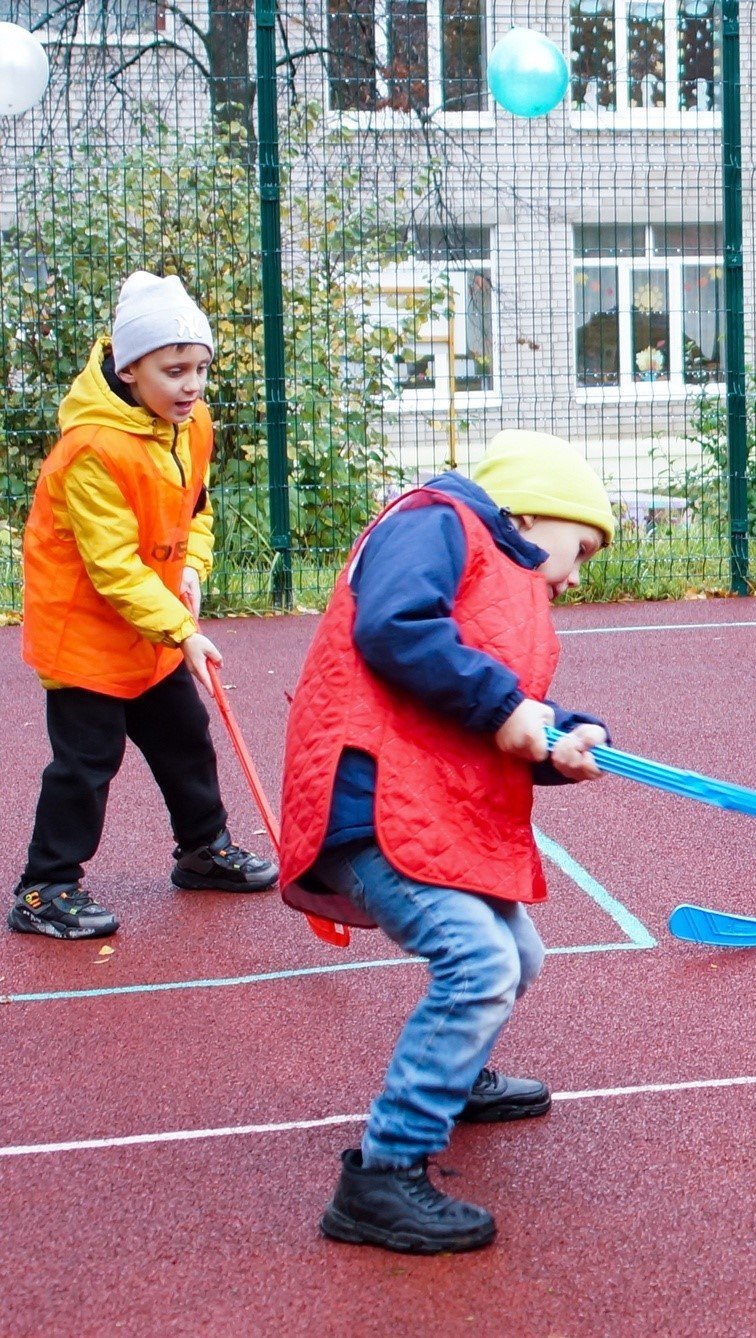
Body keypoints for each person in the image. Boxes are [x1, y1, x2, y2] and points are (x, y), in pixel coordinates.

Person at [275, 430, 617, 1254]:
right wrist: (512, 715)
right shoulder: (437, 521)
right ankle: (382, 1178)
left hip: (421, 799)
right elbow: (398, 631)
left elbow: (486, 694)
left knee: (517, 959)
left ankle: (450, 1077)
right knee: (481, 964)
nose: (575, 576)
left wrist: (561, 735)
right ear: (533, 513)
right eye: (580, 550)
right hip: (370, 801)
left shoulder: (503, 580)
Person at [10, 271, 277, 941]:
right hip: (87, 634)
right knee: (86, 763)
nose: (192, 385)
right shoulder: (89, 452)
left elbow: (198, 510)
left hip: (152, 627)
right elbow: (110, 567)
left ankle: (202, 851)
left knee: (186, 740)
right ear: (129, 370)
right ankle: (45, 888)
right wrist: (182, 631)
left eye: (200, 369)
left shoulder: (191, 427)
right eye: (174, 370)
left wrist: (191, 566)